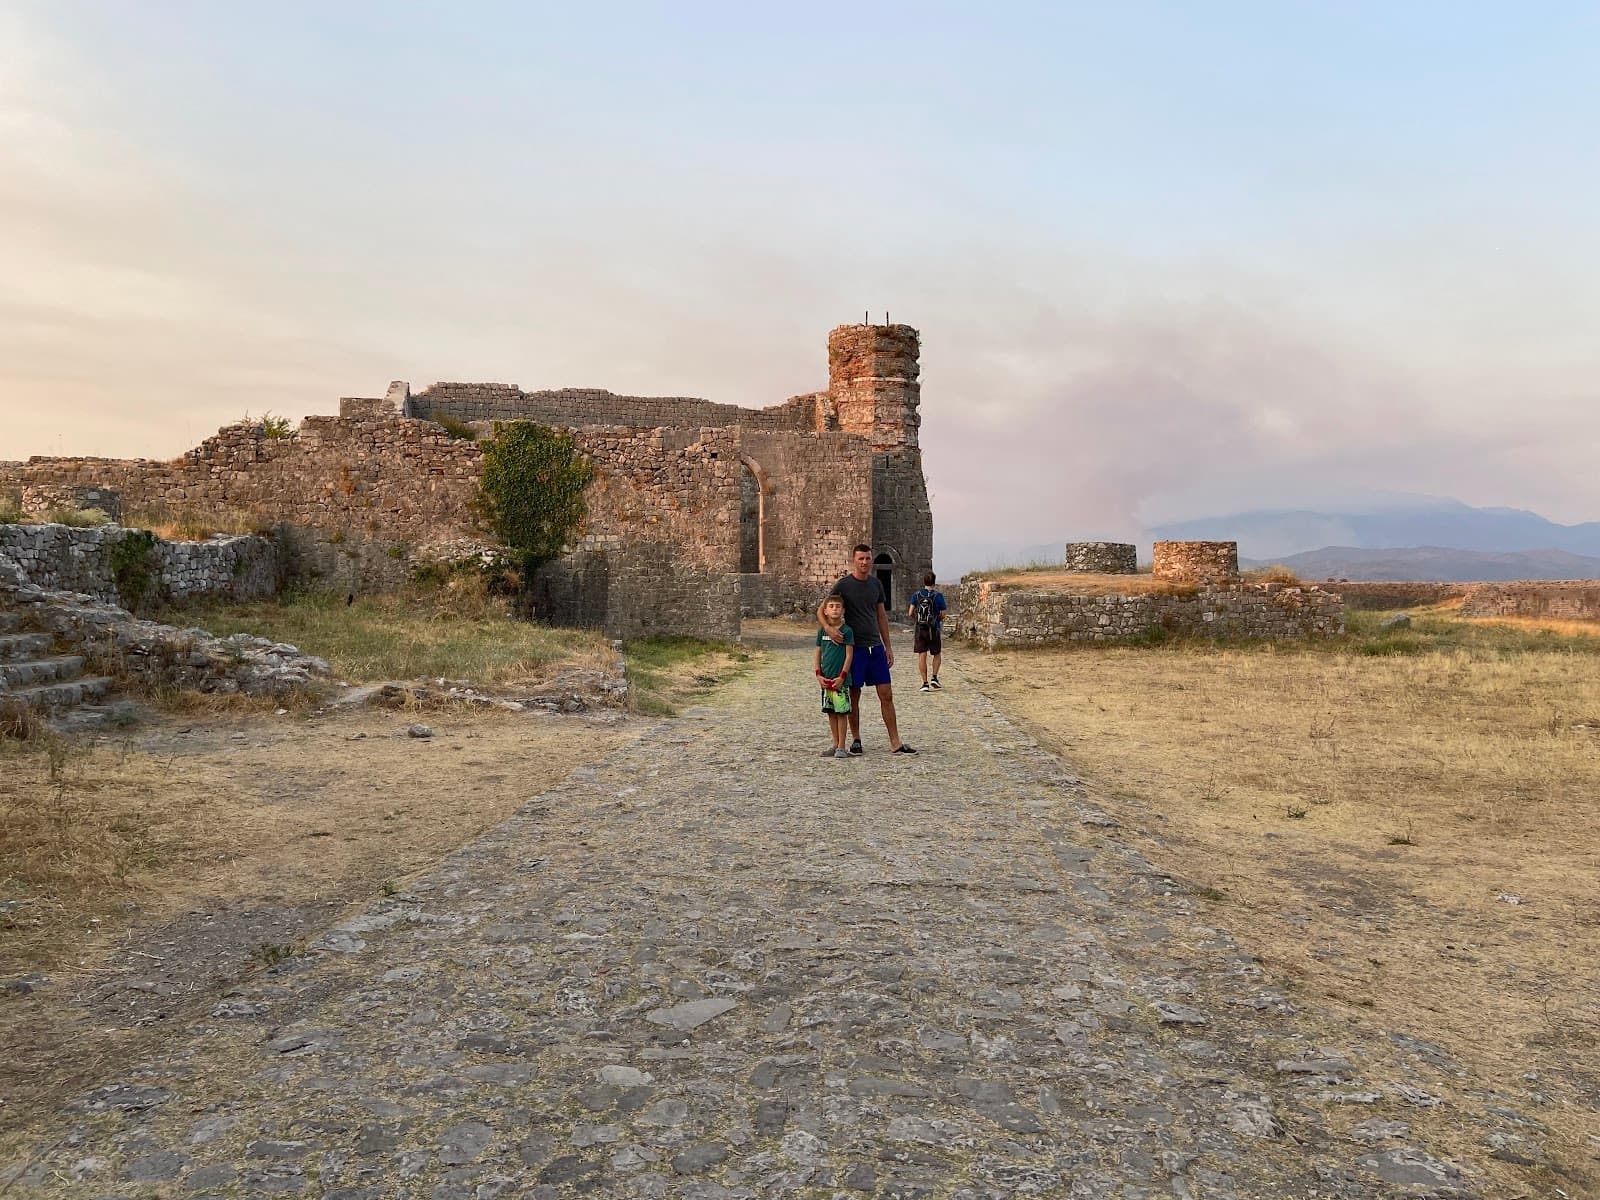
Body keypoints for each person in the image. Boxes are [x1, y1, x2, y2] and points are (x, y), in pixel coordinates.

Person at [823, 544, 916, 755]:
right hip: (855, 649)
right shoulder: (843, 585)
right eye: (861, 559)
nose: (864, 562)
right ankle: (856, 739)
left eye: (867, 559)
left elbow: (881, 616)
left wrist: (888, 646)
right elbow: (822, 609)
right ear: (853, 560)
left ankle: (895, 742)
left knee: (886, 694)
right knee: (854, 695)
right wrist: (829, 628)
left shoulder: (876, 585)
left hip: (875, 648)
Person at [814, 595, 855, 760]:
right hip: (826, 678)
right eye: (831, 606)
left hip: (840, 680)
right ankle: (835, 743)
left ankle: (842, 746)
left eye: (838, 606)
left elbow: (849, 655)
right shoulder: (821, 632)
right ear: (825, 611)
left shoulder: (847, 631)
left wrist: (842, 676)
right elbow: (817, 652)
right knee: (830, 712)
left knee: (842, 713)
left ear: (843, 610)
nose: (835, 609)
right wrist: (818, 673)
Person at [907, 570, 948, 691]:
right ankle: (934, 677)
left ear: (923, 581)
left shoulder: (917, 595)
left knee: (922, 655)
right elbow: (943, 614)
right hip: (933, 629)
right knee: (937, 653)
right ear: (934, 582)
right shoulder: (938, 596)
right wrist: (936, 621)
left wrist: (917, 620)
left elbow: (910, 613)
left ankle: (925, 683)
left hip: (920, 629)